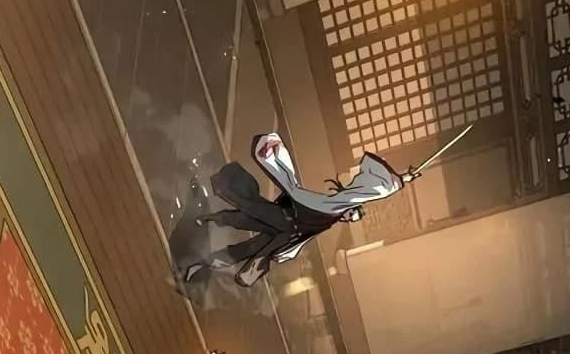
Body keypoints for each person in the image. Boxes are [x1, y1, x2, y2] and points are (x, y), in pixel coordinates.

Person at [170, 123, 399, 301]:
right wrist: (400, 180)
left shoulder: (330, 217)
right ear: (350, 209)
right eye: (352, 214)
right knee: (247, 212)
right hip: (282, 220)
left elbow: (304, 232)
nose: (350, 217)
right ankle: (207, 217)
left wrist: (285, 250)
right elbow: (355, 195)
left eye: (352, 218)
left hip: (284, 232)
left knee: (246, 245)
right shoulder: (333, 207)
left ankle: (199, 264)